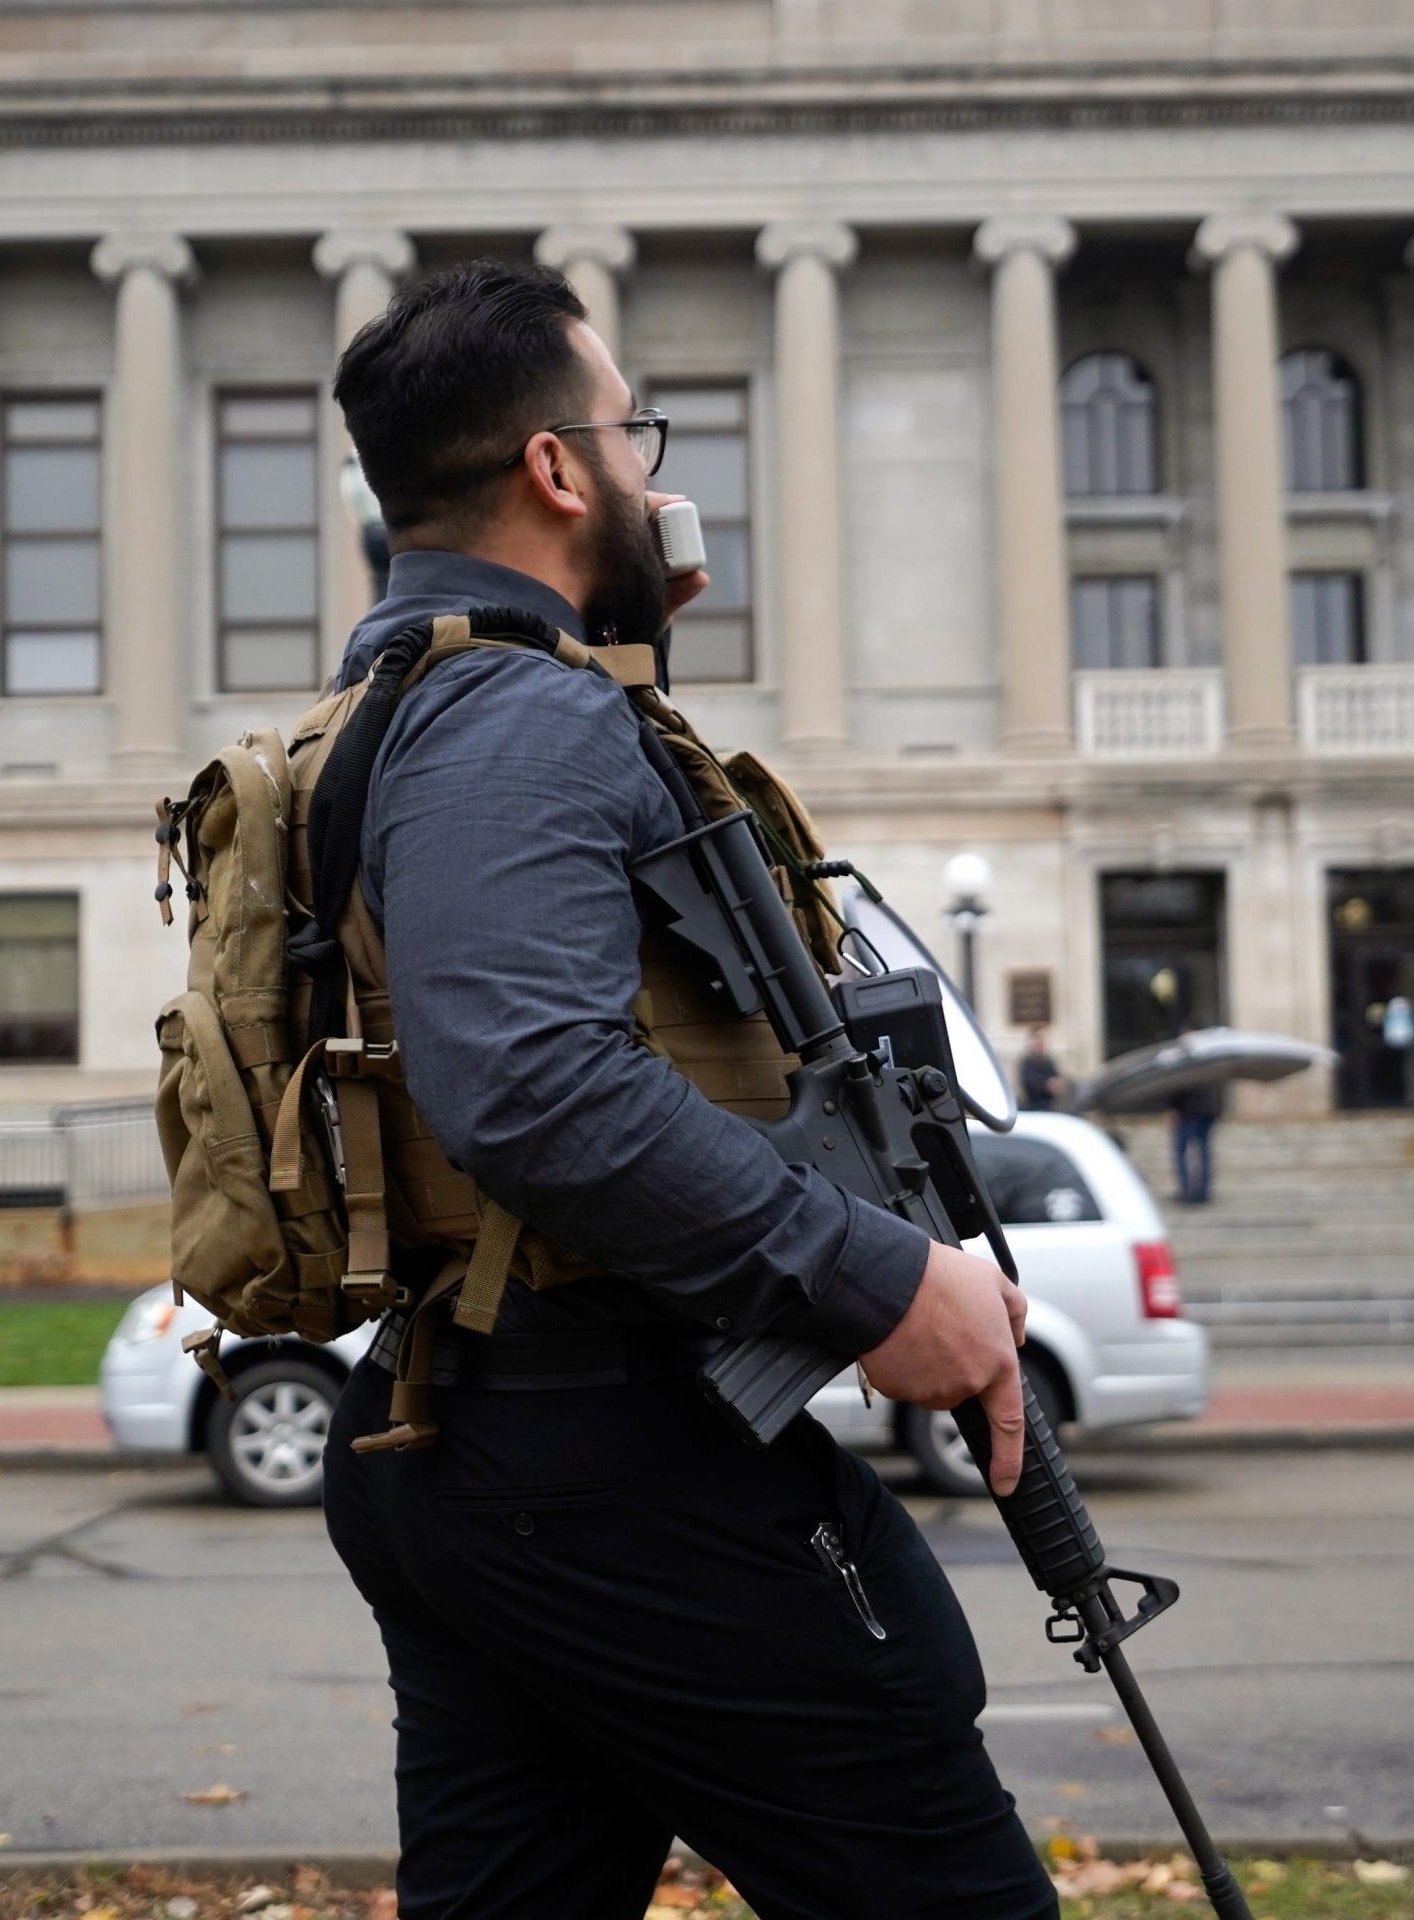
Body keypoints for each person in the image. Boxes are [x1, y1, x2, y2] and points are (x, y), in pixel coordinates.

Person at [317, 261, 1055, 1920]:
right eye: (632, 437)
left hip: (483, 1431)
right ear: (558, 473)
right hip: (611, 1449)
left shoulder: (441, 700)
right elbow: (532, 1085)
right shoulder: (520, 717)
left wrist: (612, 625)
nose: (659, 477)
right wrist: (877, 1281)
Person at [1168, 1036, 1224, 1206]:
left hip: (1190, 1114)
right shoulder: (1210, 1062)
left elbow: (1180, 1089)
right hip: (1205, 1113)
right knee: (1202, 1152)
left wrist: (1175, 1108)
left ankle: (1188, 1191)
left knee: (1183, 1152)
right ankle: (1201, 1191)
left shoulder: (1187, 1064)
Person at [1017, 1023, 1067, 1113]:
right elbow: (1029, 1083)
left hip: (1049, 1107)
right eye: (1039, 1039)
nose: (1041, 1042)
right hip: (1032, 1107)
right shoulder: (1027, 1062)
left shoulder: (1048, 1061)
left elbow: (1056, 1077)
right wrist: (1047, 1086)